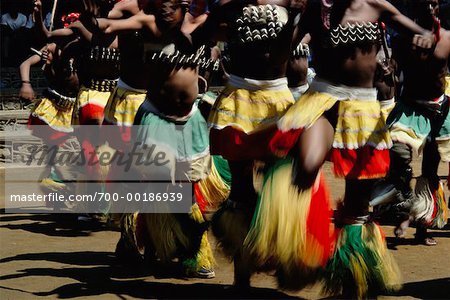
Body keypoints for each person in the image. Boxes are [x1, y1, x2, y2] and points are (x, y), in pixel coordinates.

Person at [82, 0, 216, 278]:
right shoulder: (147, 22)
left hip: (188, 121)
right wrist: (94, 20)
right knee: (149, 181)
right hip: (153, 116)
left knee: (187, 187)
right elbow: (110, 25)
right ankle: (145, 243)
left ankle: (193, 249)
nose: (164, 8)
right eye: (160, 3)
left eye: (170, 3)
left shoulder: (201, 25)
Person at [190, 0, 310, 290]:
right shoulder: (227, 6)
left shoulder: (289, 5)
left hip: (277, 102)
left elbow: (279, 54)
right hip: (239, 101)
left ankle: (282, 256)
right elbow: (198, 38)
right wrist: (215, 22)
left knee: (281, 187)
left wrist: (294, 14)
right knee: (241, 193)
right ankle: (241, 275)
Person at [373, 0, 450, 246]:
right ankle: (403, 206)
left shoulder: (447, 38)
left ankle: (422, 227)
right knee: (399, 153)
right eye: (424, 4)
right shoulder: (402, 40)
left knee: (430, 168)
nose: (429, 8)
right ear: (414, 10)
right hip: (411, 107)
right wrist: (388, 68)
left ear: (438, 8)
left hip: (440, 107)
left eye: (433, 4)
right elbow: (394, 65)